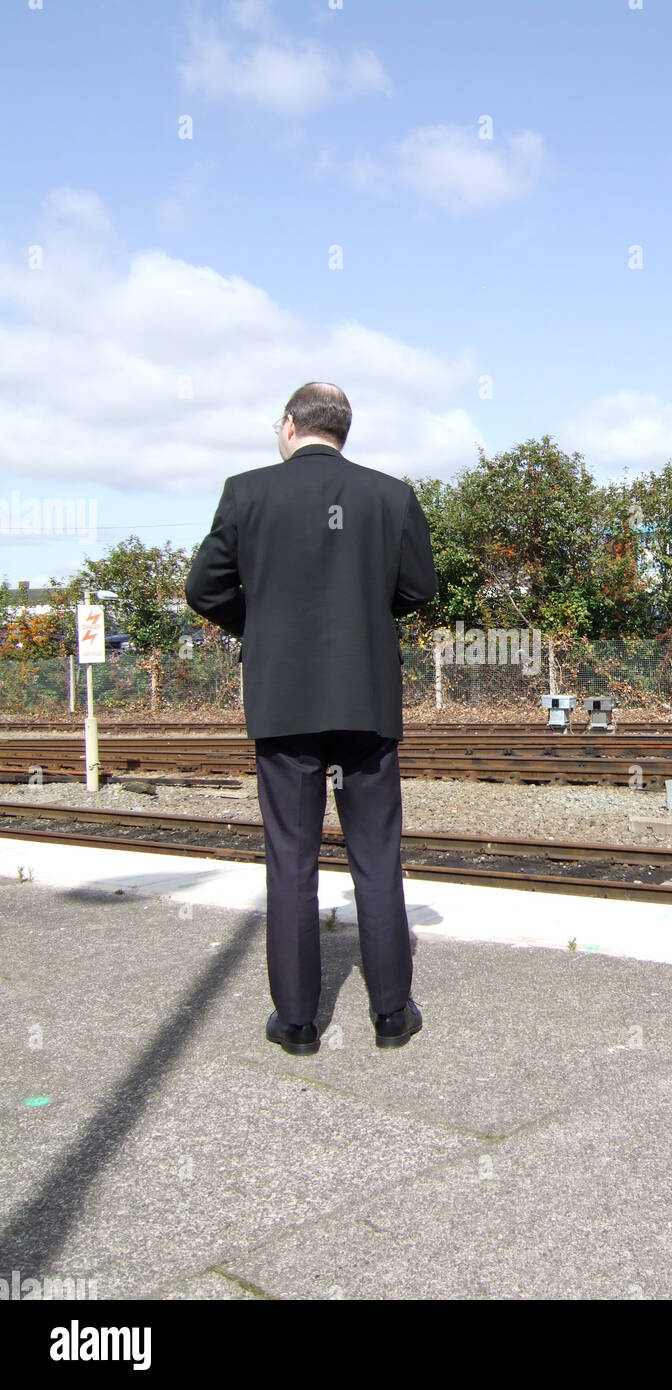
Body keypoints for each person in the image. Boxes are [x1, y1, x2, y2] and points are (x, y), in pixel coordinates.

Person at [185, 381, 438, 1053]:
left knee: (290, 858)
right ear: (342, 432)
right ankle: (391, 1016)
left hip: (285, 701)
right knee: (377, 857)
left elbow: (203, 589)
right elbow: (419, 587)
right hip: (366, 700)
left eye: (278, 425)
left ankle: (297, 1023)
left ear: (293, 426)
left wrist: (263, 624)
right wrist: (360, 618)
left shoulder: (248, 492)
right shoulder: (391, 495)